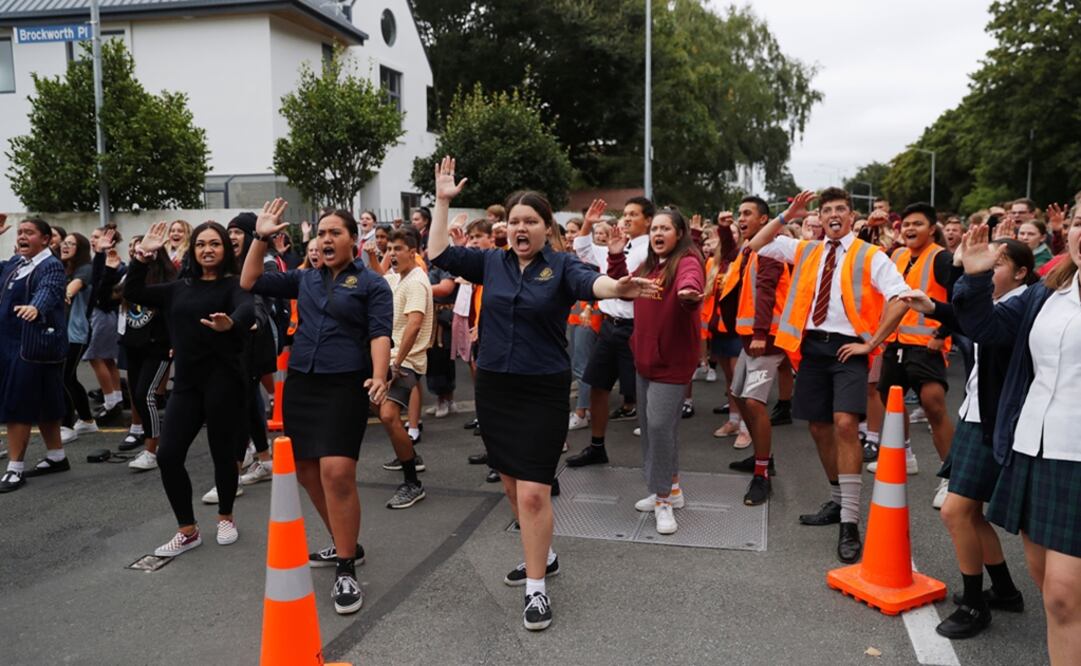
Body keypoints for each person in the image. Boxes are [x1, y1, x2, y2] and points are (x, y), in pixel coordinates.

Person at [428, 157, 658, 631]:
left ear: (546, 228)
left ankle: (536, 589)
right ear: (504, 228)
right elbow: (436, 255)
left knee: (533, 491)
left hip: (542, 390)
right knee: (511, 485)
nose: (520, 228)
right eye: (513, 221)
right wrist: (443, 201)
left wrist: (619, 285)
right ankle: (544, 555)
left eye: (530, 221)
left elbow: (592, 284)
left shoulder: (561, 266)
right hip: (494, 386)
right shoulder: (490, 262)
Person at [242, 202, 392, 617]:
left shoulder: (372, 285)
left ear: (352, 240)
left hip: (347, 382)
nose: (325, 239)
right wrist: (260, 237)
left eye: (335, 233)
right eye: (321, 233)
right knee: (308, 472)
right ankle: (347, 543)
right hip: (304, 383)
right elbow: (250, 280)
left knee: (337, 472)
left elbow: (380, 334)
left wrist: (380, 375)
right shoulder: (304, 279)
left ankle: (346, 568)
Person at [749, 187, 910, 564]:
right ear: (819, 219)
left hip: (848, 349)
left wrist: (871, 344)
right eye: (827, 211)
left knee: (843, 424)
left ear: (851, 217)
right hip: (812, 349)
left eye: (841, 209)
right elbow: (756, 244)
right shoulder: (805, 249)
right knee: (819, 428)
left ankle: (850, 523)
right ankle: (838, 502)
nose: (834, 215)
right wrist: (788, 214)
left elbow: (901, 297)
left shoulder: (871, 254)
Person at [953, 218, 1081, 664]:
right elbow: (984, 328)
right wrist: (974, 278)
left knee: (1065, 596)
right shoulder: (1045, 293)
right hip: (1032, 451)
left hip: (1077, 458)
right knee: (1051, 590)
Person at [900, 237, 1034, 638]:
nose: (986, 271)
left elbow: (988, 329)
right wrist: (935, 308)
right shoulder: (1007, 301)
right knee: (970, 513)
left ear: (1023, 272)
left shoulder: (1025, 303)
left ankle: (976, 605)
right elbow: (977, 321)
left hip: (990, 421)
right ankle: (1006, 591)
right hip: (976, 415)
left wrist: (961, 277)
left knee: (955, 511)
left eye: (995, 265)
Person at [125, 221, 254, 557]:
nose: (207, 249)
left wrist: (232, 323)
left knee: (222, 454)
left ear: (225, 249)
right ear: (193, 251)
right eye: (201, 244)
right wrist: (142, 257)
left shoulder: (232, 285)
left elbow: (246, 307)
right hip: (186, 384)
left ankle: (226, 516)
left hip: (225, 381)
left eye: (214, 243)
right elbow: (133, 293)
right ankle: (188, 530)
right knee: (168, 456)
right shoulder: (177, 287)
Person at [609, 208, 703, 534]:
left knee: (661, 428)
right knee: (651, 429)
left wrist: (689, 294)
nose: (658, 234)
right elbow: (623, 283)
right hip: (645, 358)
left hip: (672, 362)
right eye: (655, 229)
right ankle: (671, 490)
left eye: (666, 228)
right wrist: (615, 254)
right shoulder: (650, 264)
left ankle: (662, 499)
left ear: (679, 234)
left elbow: (692, 282)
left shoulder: (686, 261)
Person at [873, 202, 962, 509]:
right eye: (906, 224)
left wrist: (942, 334)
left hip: (927, 347)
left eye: (918, 224)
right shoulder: (896, 255)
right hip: (896, 344)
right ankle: (906, 455)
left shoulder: (942, 258)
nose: (910, 229)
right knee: (890, 401)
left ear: (932, 228)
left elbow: (958, 301)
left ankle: (950, 479)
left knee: (934, 404)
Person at [566, 196, 654, 467]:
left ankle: (656, 456)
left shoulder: (650, 248)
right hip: (609, 326)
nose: (626, 219)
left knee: (643, 392)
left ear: (648, 220)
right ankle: (597, 447)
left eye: (634, 214)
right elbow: (583, 249)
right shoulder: (616, 246)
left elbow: (624, 287)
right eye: (625, 214)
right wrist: (588, 224)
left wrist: (615, 253)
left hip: (635, 328)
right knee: (598, 386)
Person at [718, 196, 790, 505]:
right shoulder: (749, 249)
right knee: (737, 394)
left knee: (754, 402)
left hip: (767, 340)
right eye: (739, 213)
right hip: (750, 340)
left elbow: (767, 290)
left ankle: (762, 474)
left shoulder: (771, 249)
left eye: (748, 213)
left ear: (764, 220)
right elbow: (732, 262)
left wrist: (760, 333)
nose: (741, 217)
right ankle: (763, 455)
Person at [0, 217, 71, 493]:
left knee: (18, 404)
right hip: (12, 344)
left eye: (28, 232)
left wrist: (35, 308)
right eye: (19, 232)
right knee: (46, 401)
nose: (22, 236)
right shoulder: (17, 263)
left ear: (45, 238)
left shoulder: (50, 264)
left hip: (32, 345)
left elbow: (50, 290)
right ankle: (56, 456)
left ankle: (15, 468)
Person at [378, 227, 433, 509]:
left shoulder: (416, 282)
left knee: (388, 415)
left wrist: (397, 362)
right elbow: (379, 280)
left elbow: (414, 323)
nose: (391, 254)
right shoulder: (397, 277)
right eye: (389, 249)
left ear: (412, 252)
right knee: (381, 412)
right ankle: (409, 454)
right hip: (389, 357)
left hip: (407, 361)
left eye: (397, 249)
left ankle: (412, 482)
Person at [120, 233, 177, 472]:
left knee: (146, 394)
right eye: (135, 251)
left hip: (158, 346)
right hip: (134, 345)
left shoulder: (168, 281)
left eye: (143, 250)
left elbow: (176, 313)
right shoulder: (134, 279)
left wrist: (175, 341)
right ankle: (148, 439)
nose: (138, 253)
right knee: (137, 395)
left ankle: (152, 449)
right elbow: (127, 293)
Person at [58, 232, 99, 443]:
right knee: (69, 377)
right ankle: (86, 420)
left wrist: (61, 293)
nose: (65, 246)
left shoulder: (85, 269)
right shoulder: (62, 267)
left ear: (80, 248)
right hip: (61, 332)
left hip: (76, 333)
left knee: (64, 377)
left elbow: (72, 289)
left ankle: (67, 425)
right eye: (64, 243)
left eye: (71, 244)